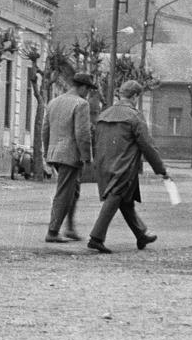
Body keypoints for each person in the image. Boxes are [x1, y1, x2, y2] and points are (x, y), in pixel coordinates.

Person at [86, 79, 170, 254]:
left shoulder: (104, 114)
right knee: (116, 196)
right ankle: (96, 237)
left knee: (125, 201)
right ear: (135, 96)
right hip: (124, 166)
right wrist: (161, 169)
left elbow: (96, 140)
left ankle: (141, 234)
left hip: (103, 163)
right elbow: (147, 145)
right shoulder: (134, 116)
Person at [42, 71, 95, 243]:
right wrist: (87, 157)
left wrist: (47, 152)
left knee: (74, 191)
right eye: (88, 89)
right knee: (65, 192)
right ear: (83, 87)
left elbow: (45, 129)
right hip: (71, 155)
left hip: (55, 153)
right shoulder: (81, 103)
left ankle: (70, 228)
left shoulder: (54, 102)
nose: (88, 93)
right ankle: (53, 231)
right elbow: (82, 133)